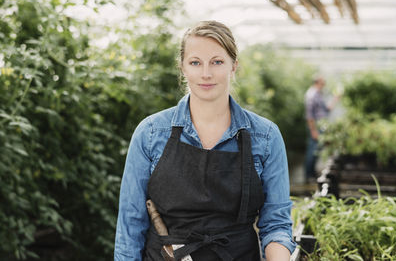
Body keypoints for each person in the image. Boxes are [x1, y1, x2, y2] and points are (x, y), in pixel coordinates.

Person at [114, 20, 296, 261]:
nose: (206, 73)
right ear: (183, 68)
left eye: (217, 62)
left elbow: (276, 223)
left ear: (234, 67)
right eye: (195, 62)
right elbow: (130, 226)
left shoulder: (266, 136)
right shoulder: (150, 133)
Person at [304, 75, 340, 183]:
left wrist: (335, 99)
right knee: (313, 151)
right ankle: (308, 175)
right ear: (317, 81)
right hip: (316, 127)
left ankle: (311, 173)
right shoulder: (312, 94)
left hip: (321, 126)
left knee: (316, 151)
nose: (324, 82)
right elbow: (309, 115)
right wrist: (313, 130)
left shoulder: (319, 94)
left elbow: (326, 110)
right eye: (322, 81)